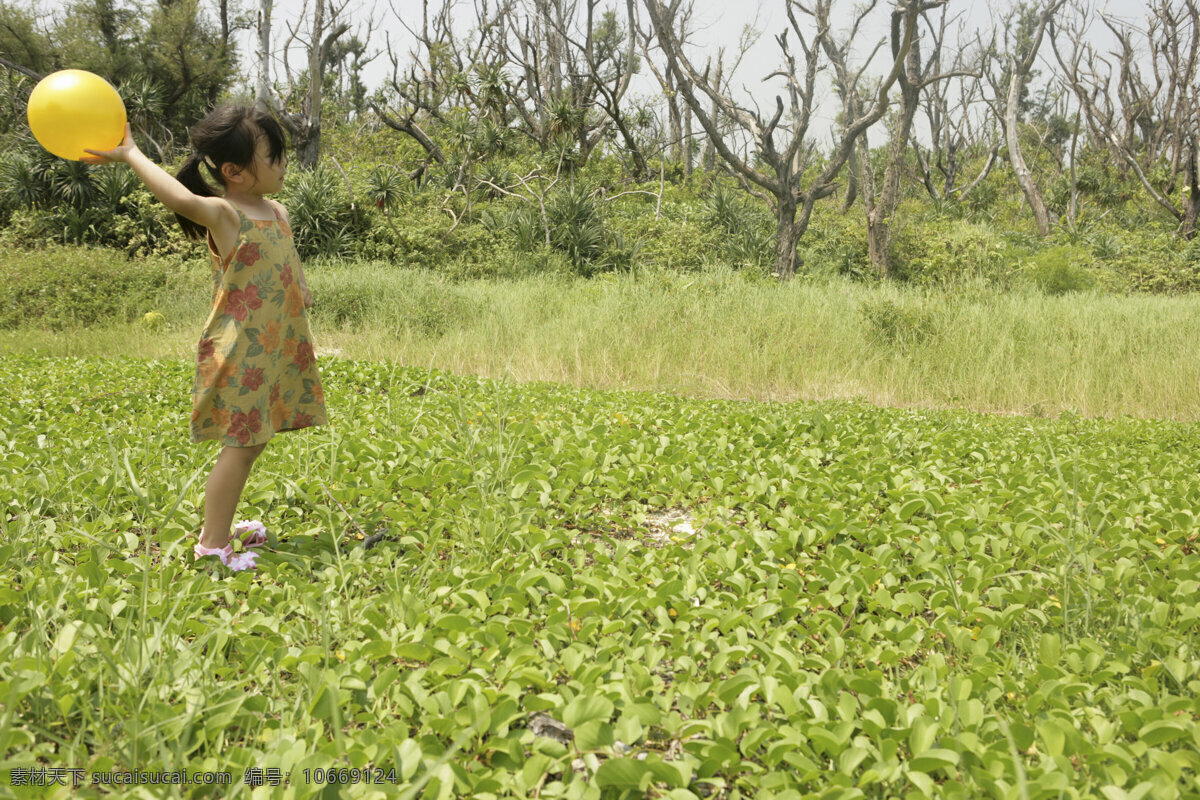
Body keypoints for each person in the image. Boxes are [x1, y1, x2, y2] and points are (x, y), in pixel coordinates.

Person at [84, 106, 328, 571]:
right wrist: (131, 153)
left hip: (274, 348)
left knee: (254, 442)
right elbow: (180, 198)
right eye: (273, 157)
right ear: (234, 172)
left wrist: (301, 287)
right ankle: (212, 545)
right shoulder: (225, 213)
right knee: (241, 446)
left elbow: (288, 261)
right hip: (238, 350)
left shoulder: (277, 211)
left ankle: (225, 525)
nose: (282, 164)